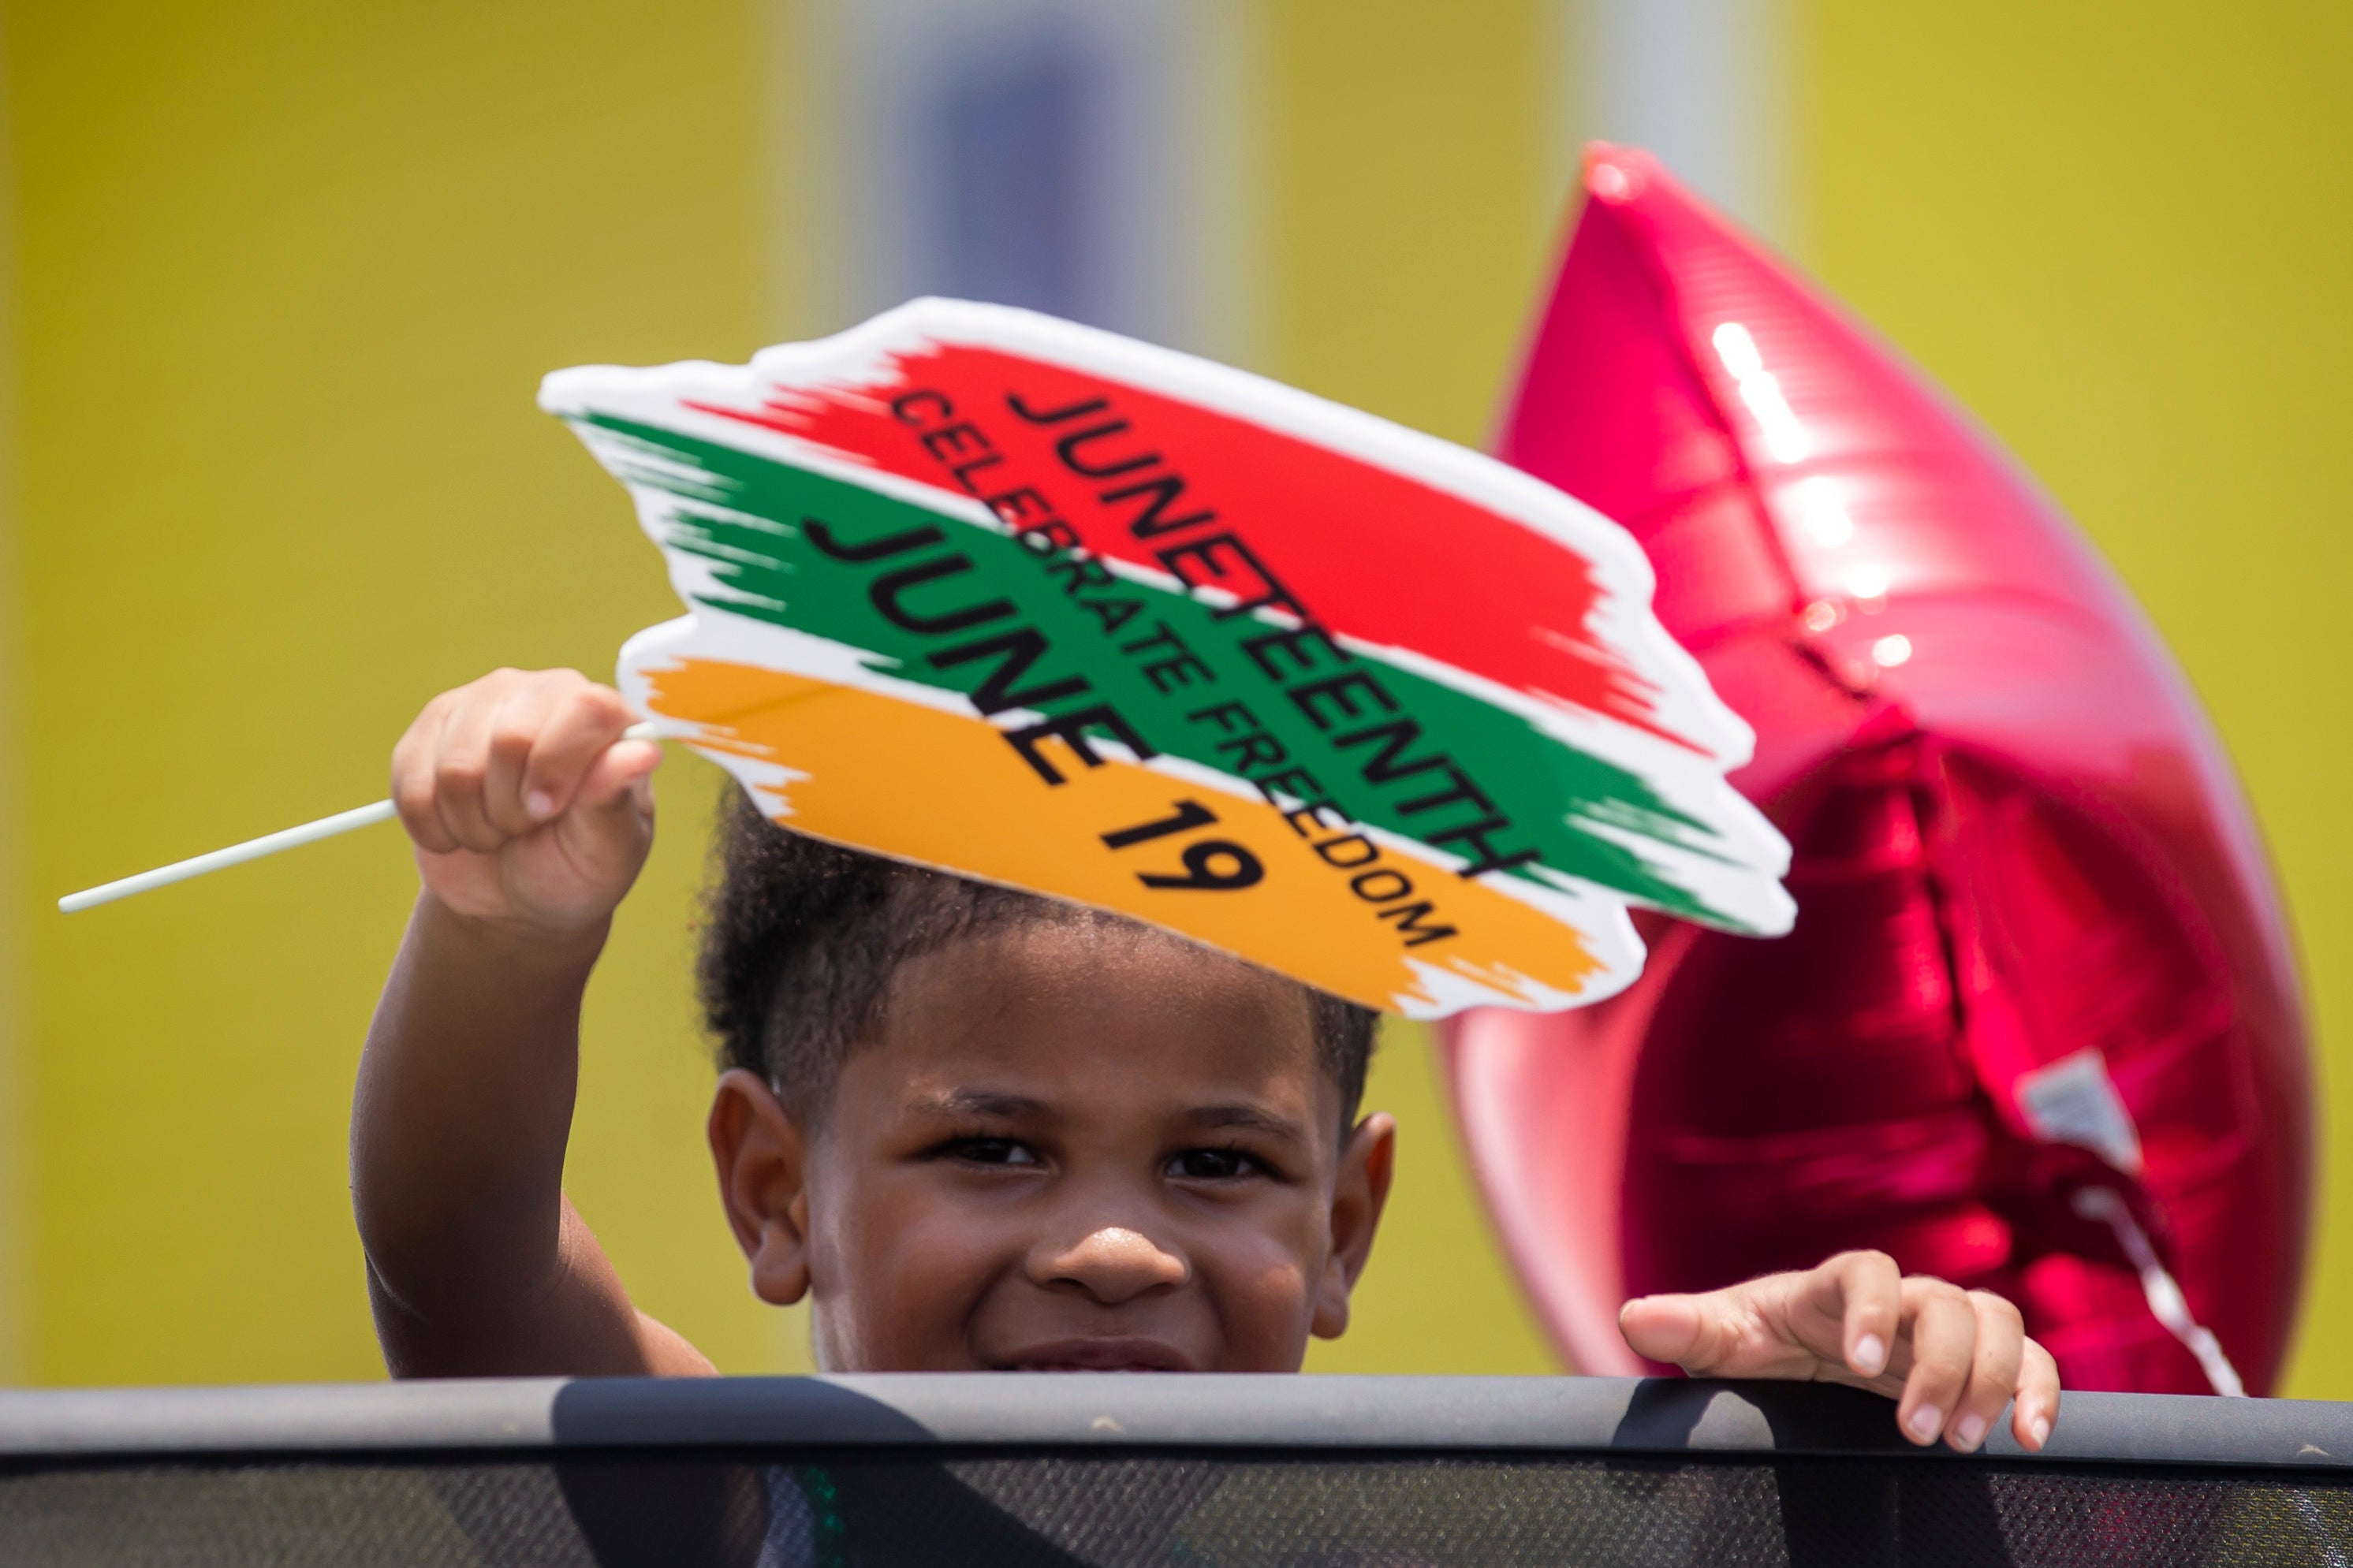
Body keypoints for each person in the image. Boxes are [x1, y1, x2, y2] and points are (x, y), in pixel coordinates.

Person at [353, 667, 2060, 1454]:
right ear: (774, 1185)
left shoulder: (1466, 1536)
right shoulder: (735, 1517)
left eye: (1219, 1161)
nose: (1115, 1244)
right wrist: (507, 934)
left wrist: (1826, 1464)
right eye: (997, 1146)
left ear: (1345, 1221)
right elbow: (460, 1258)